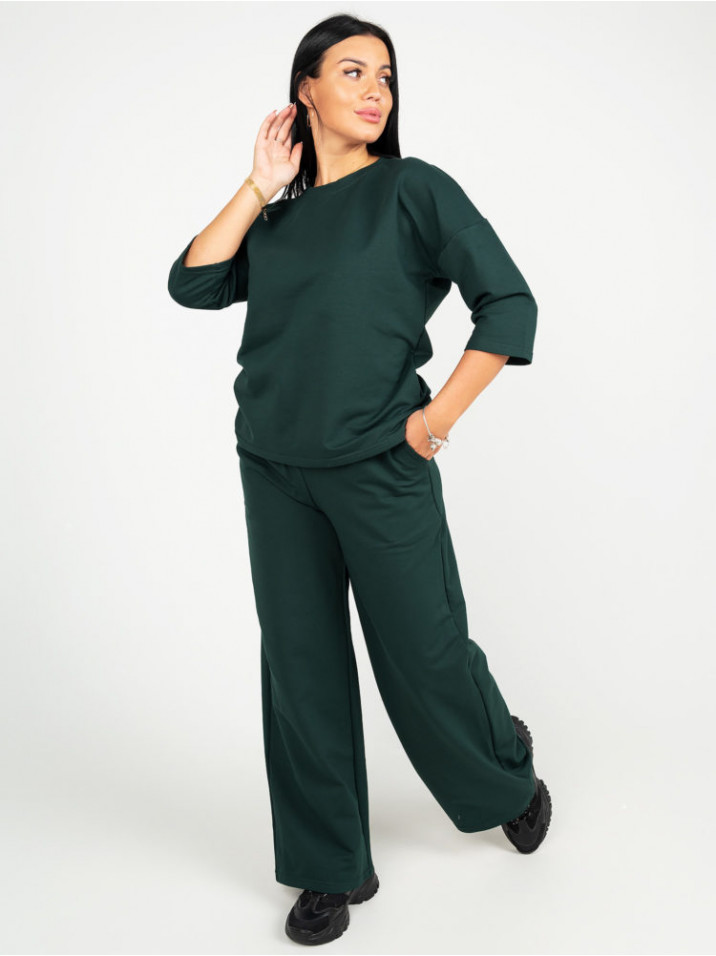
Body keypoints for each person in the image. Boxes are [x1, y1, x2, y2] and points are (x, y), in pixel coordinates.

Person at [167, 13, 552, 947]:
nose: (376, 89)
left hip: (382, 465)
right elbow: (194, 282)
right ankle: (329, 866)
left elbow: (509, 303)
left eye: (384, 74)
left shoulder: (413, 190)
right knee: (300, 672)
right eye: (351, 71)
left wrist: (433, 422)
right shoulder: (277, 218)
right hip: (275, 469)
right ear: (305, 88)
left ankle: (504, 774)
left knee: (423, 657)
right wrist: (259, 185)